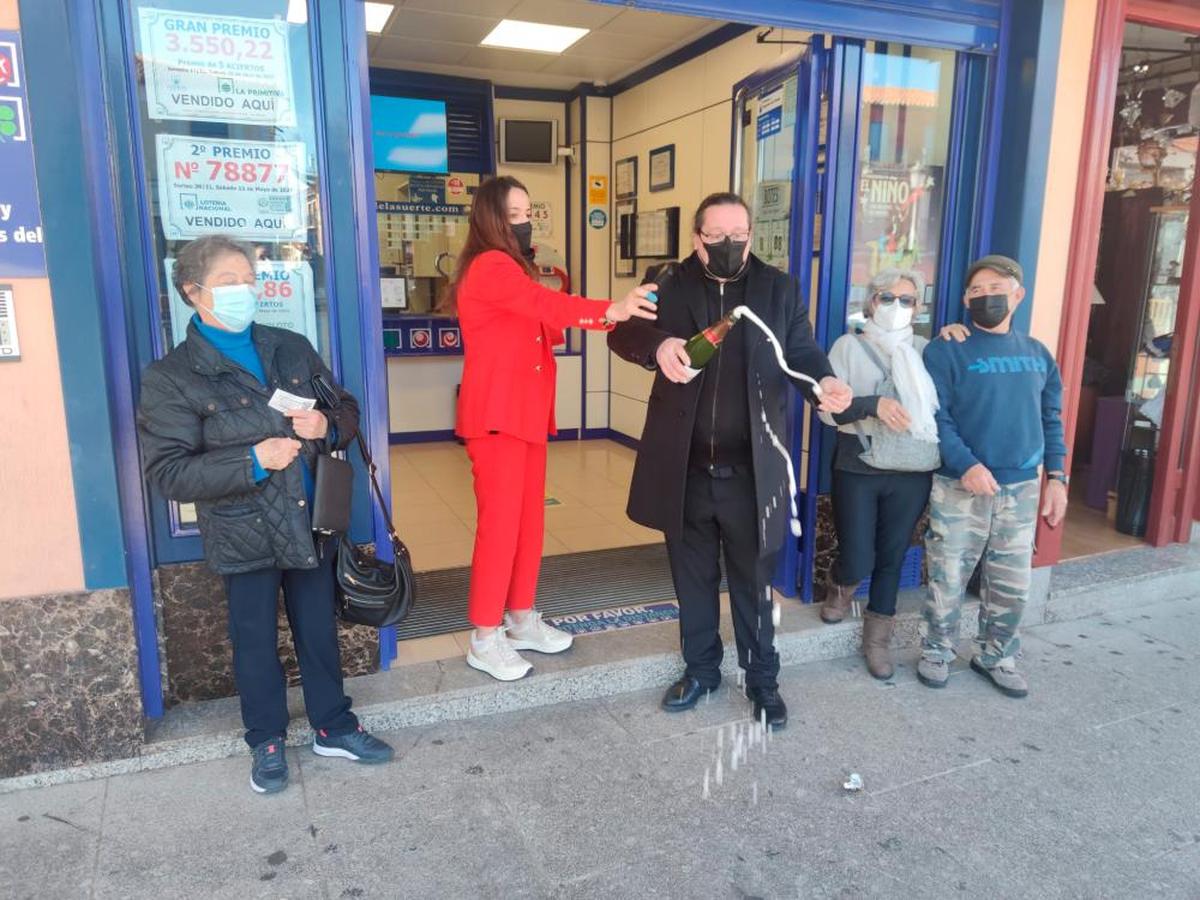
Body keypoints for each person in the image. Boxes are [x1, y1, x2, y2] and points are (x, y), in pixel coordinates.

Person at [137, 235, 393, 795]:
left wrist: (328, 426)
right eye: (229, 283)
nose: (244, 292)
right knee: (253, 639)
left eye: (249, 281)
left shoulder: (290, 346)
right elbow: (169, 473)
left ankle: (334, 724)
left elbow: (344, 408)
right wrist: (252, 459)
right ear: (192, 292)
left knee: (318, 630)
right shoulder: (173, 376)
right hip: (242, 530)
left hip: (309, 518)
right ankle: (267, 739)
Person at [608, 192, 852, 729]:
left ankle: (763, 680)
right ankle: (701, 671)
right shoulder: (669, 283)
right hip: (685, 467)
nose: (728, 244)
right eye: (716, 236)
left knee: (752, 582)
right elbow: (623, 333)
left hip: (752, 471)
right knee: (691, 579)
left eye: (738, 234)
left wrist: (825, 382)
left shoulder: (779, 288)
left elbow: (802, 354)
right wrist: (661, 345)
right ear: (697, 238)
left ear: (751, 233)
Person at [446, 175, 658, 682]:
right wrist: (610, 310)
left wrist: (564, 300)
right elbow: (546, 309)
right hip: (498, 417)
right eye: (515, 214)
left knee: (528, 524)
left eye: (528, 212)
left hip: (524, 416)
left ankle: (520, 618)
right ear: (492, 219)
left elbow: (546, 324)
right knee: (500, 528)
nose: (525, 222)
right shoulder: (491, 265)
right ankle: (484, 636)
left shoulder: (514, 269)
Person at [918, 255, 1069, 698]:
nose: (987, 297)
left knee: (1011, 582)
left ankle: (995, 653)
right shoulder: (946, 349)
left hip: (1020, 486)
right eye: (977, 291)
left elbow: (1051, 418)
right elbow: (937, 418)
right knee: (947, 575)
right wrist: (967, 465)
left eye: (997, 288)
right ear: (965, 299)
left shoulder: (1037, 354)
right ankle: (937, 650)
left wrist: (1056, 477)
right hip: (959, 485)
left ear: (1017, 295)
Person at [818, 269, 953, 679]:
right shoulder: (847, 347)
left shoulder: (930, 350)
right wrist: (872, 404)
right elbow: (826, 410)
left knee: (892, 555)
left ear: (919, 306)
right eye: (887, 297)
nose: (897, 307)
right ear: (871, 302)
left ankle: (877, 641)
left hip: (912, 468)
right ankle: (841, 583)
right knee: (859, 553)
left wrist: (960, 333)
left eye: (907, 299)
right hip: (859, 464)